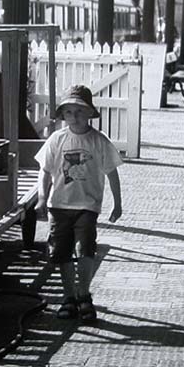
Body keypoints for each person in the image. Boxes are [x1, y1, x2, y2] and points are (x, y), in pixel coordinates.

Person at [34, 85, 123, 323]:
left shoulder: (98, 141)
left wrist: (118, 203)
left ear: (90, 113)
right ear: (63, 115)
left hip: (87, 205)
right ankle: (69, 297)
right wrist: (42, 197)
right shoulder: (57, 139)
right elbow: (44, 171)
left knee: (85, 250)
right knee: (61, 253)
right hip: (60, 205)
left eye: (80, 111)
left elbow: (111, 172)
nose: (75, 117)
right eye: (69, 112)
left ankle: (84, 294)